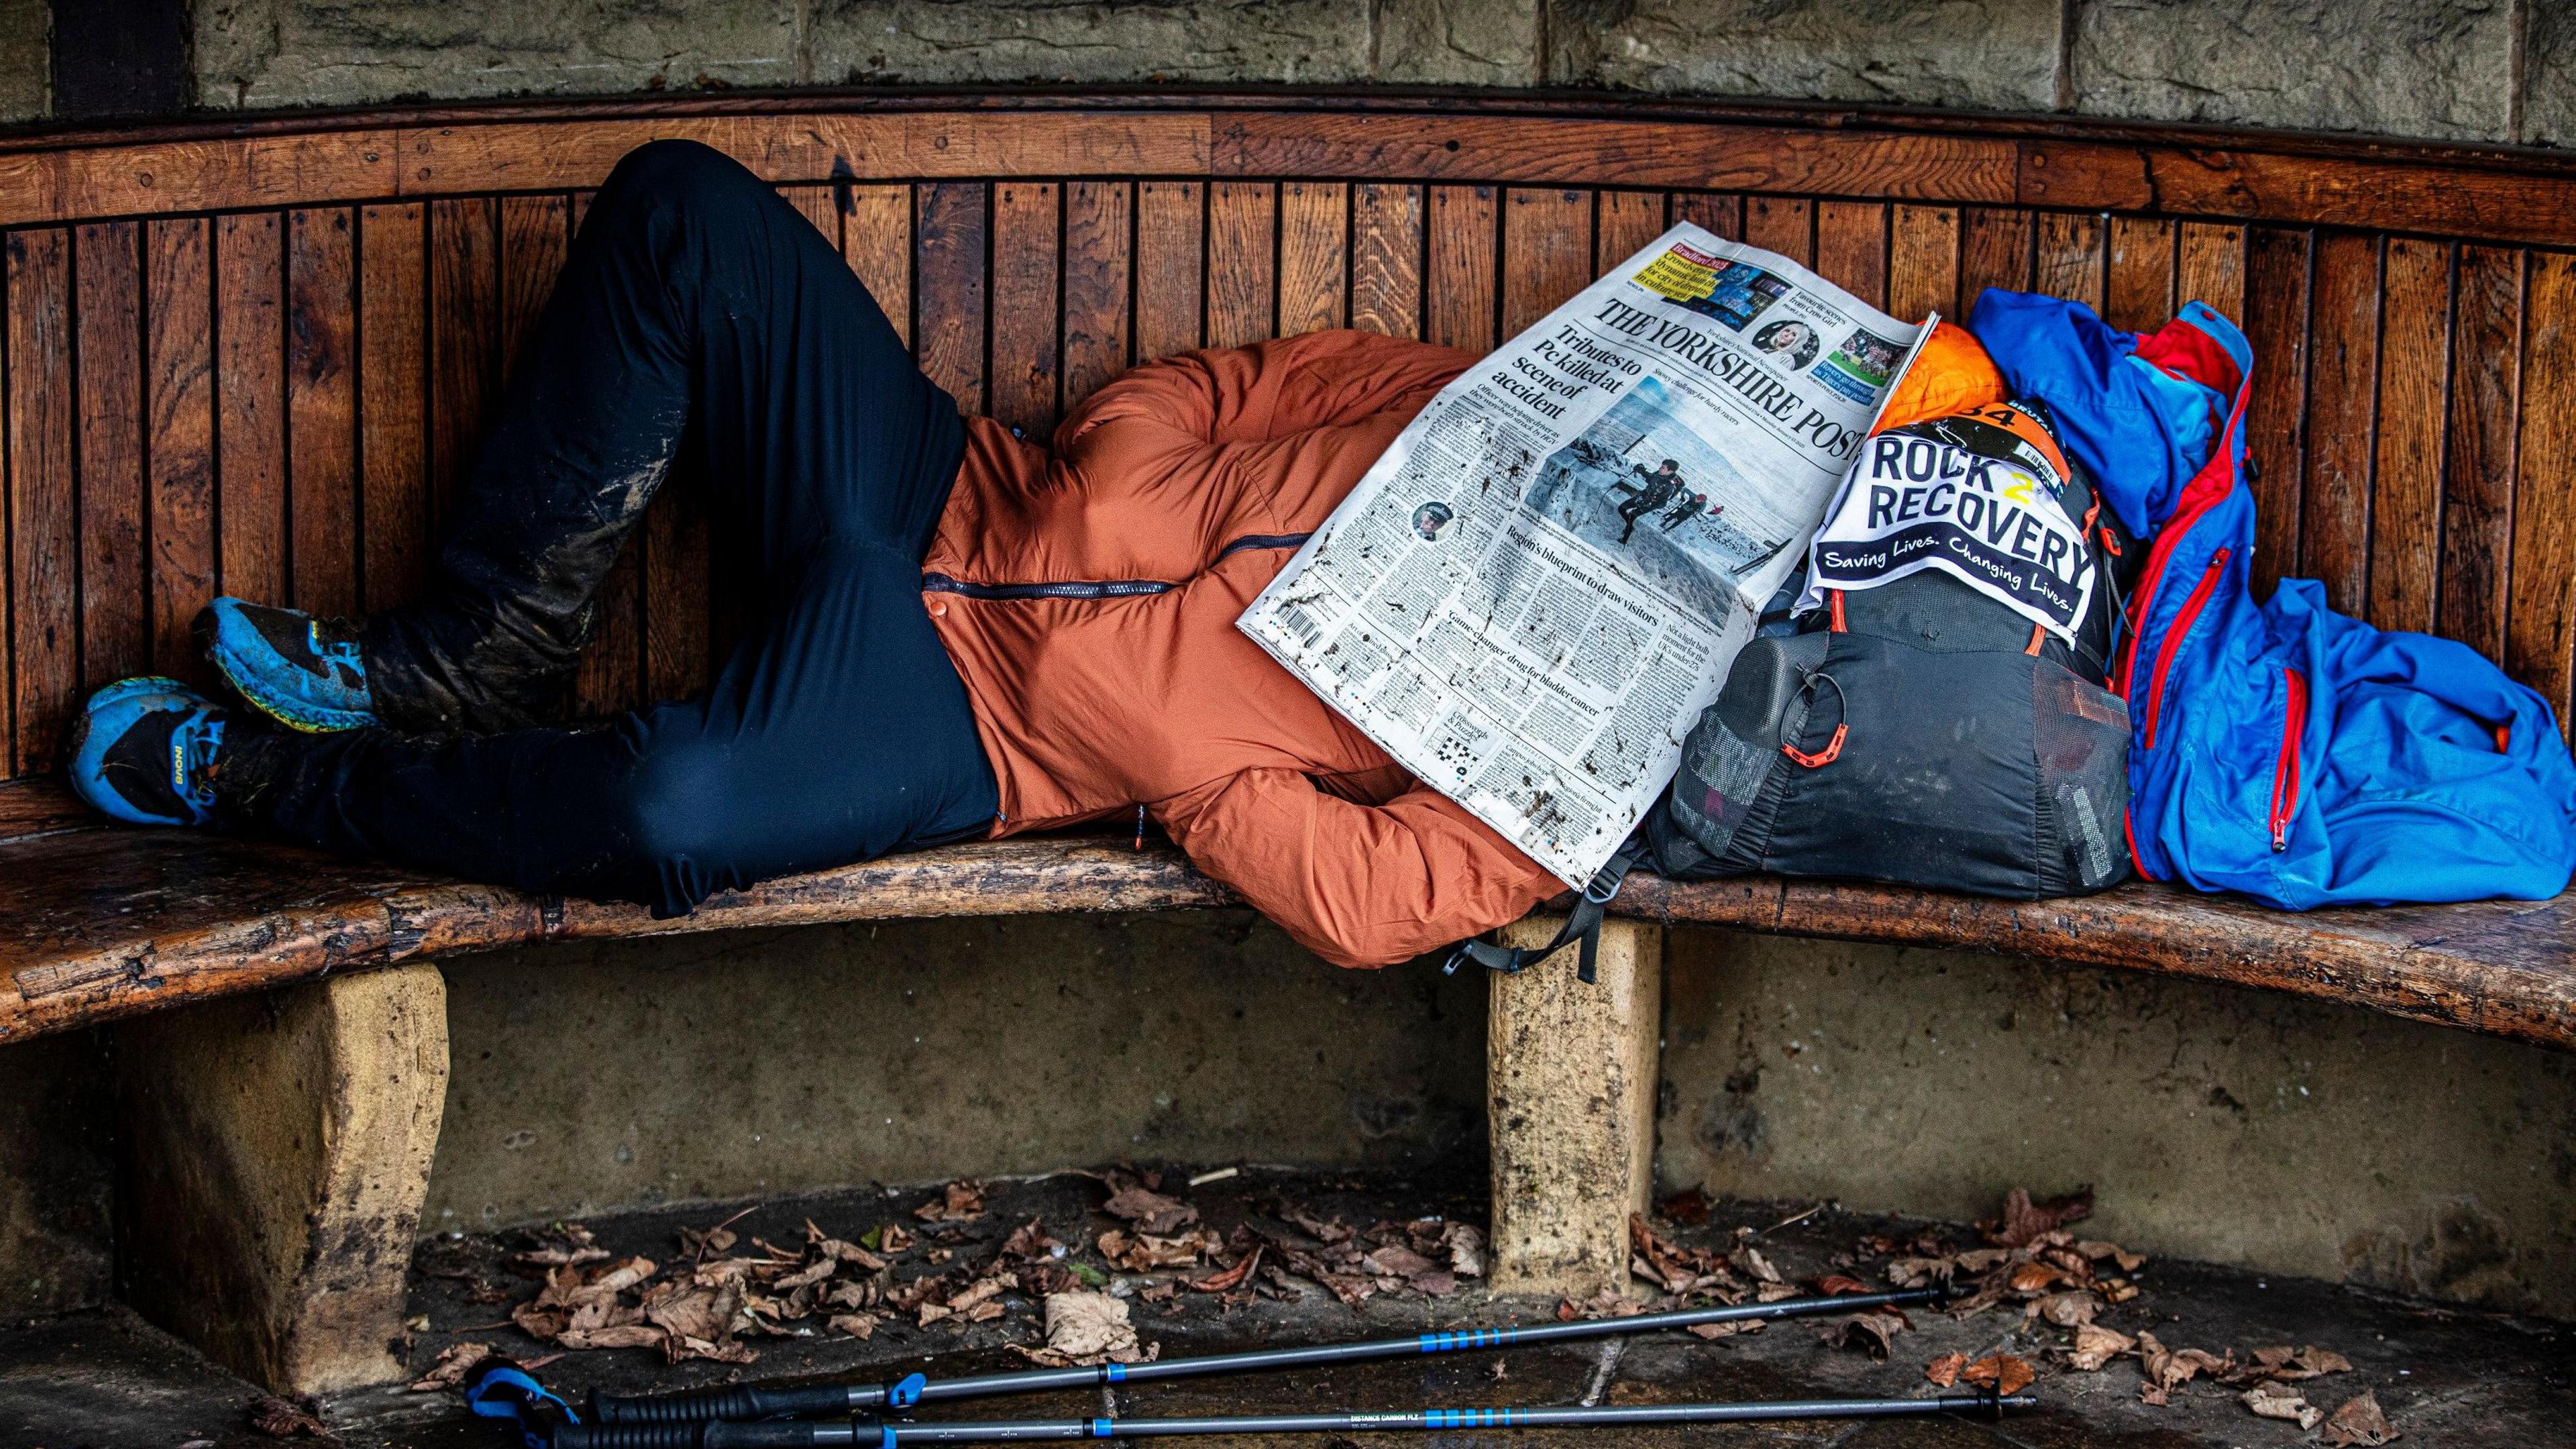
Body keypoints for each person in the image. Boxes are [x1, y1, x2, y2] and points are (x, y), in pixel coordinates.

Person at [65, 142, 1562, 971]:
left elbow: (1383, 898)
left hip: (973, 727)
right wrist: (1118, 452)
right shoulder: (1483, 402)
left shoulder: (1578, 746)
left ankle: (276, 786)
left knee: (668, 811)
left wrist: (1195, 778)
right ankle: (476, 656)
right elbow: (1257, 384)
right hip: (938, 484)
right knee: (685, 214)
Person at [1611, 460, 1684, 543]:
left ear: (1670, 471)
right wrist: (1642, 471)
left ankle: (1625, 539)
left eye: (1663, 468)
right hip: (1645, 495)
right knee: (1622, 508)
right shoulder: (1659, 473)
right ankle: (1630, 527)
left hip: (1652, 503)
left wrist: (1646, 503)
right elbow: (1650, 478)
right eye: (1661, 466)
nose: (1660, 468)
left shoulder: (1669, 486)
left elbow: (1661, 500)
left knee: (1632, 515)